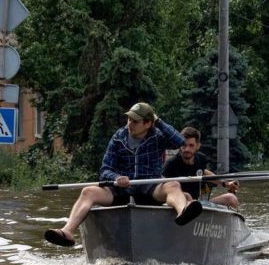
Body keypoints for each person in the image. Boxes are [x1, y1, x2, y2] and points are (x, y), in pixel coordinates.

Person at [44, 102, 204, 247]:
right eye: (129, 120)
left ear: (148, 123)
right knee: (88, 191)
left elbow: (179, 142)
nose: (130, 124)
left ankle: (183, 211)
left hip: (149, 188)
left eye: (135, 121)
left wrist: (158, 121)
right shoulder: (118, 138)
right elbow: (105, 170)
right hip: (120, 189)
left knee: (174, 185)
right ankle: (68, 231)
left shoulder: (157, 136)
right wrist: (116, 178)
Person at [162, 126, 239, 208]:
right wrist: (185, 197)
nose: (187, 149)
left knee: (231, 198)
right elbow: (163, 190)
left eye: (191, 145)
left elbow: (204, 172)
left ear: (198, 146)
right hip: (178, 205)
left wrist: (225, 183)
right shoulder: (170, 164)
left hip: (198, 203)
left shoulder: (201, 159)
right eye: (184, 145)